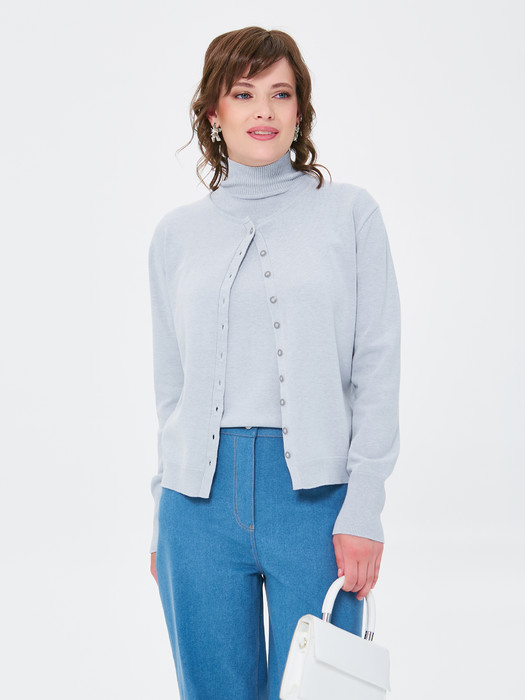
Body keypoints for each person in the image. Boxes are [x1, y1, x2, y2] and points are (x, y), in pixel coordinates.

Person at [147, 26, 401, 700]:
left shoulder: (349, 214)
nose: (263, 110)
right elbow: (170, 388)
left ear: (299, 109)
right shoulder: (175, 235)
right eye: (243, 93)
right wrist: (160, 513)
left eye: (280, 93)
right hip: (195, 509)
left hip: (315, 505)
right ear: (213, 111)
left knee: (322, 690)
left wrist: (364, 507)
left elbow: (376, 365)